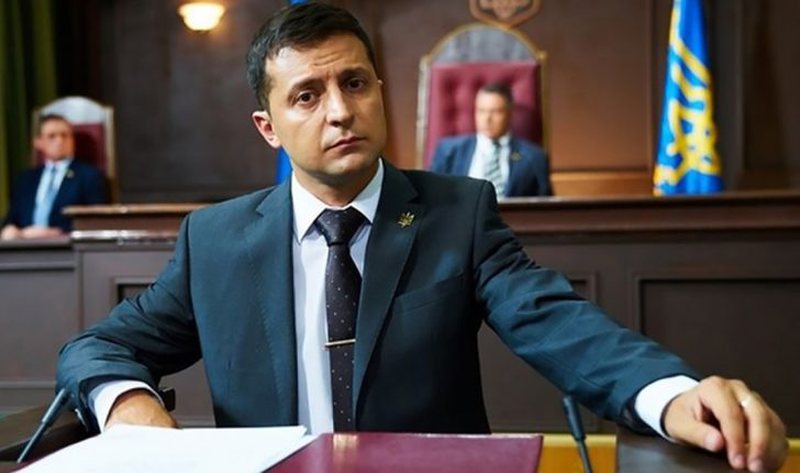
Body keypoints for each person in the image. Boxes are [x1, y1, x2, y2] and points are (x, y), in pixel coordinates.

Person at [57, 3, 786, 471]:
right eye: (308, 95)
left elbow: (557, 322)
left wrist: (670, 394)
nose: (339, 111)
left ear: (380, 91)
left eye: (355, 83)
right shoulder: (216, 239)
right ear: (268, 128)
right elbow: (95, 347)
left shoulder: (456, 213)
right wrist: (128, 405)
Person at [429, 83, 552, 197]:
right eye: (481, 111)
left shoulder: (534, 157)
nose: (487, 118)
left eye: (496, 112)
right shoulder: (449, 151)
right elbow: (432, 198)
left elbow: (546, 207)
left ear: (510, 114)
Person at [1, 114, 108, 240]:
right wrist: (9, 228)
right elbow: (12, 218)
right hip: (25, 245)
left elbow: (95, 222)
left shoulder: (89, 176)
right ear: (38, 142)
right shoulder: (25, 179)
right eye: (52, 136)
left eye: (65, 135)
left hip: (65, 246)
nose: (59, 141)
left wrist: (56, 232)